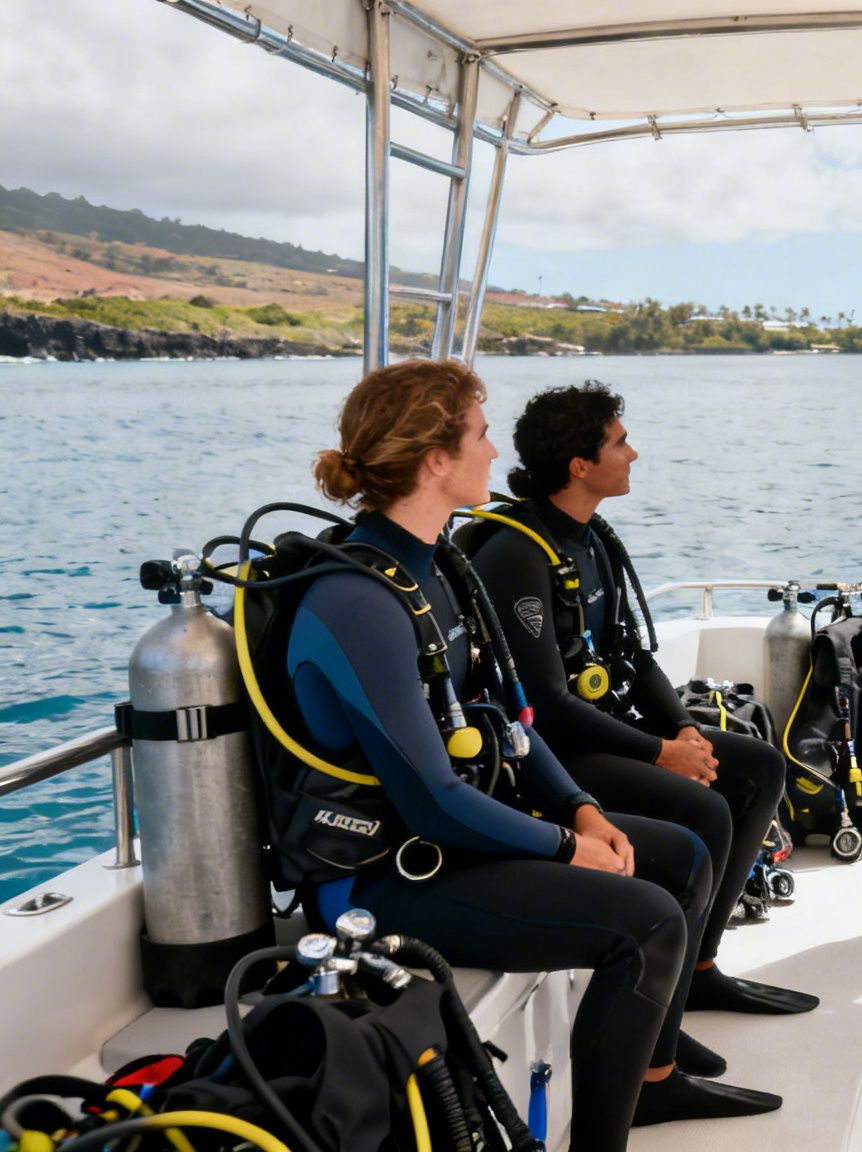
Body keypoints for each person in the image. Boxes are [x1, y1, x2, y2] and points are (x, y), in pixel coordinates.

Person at [286, 360, 777, 1152]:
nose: (492, 453)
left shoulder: (439, 565)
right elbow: (431, 798)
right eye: (479, 435)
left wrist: (582, 808)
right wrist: (566, 844)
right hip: (383, 881)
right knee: (645, 921)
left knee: (682, 854)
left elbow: (511, 721)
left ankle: (651, 1083)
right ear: (436, 459)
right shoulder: (357, 601)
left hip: (457, 841)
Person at [464, 381, 817, 1019]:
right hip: (551, 758)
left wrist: (682, 729)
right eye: (620, 443)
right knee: (705, 811)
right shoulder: (516, 555)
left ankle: (702, 968)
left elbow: (630, 651)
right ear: (579, 464)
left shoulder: (591, 537)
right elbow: (542, 702)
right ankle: (661, 1019)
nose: (634, 454)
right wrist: (658, 753)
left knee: (758, 765)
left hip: (603, 732)